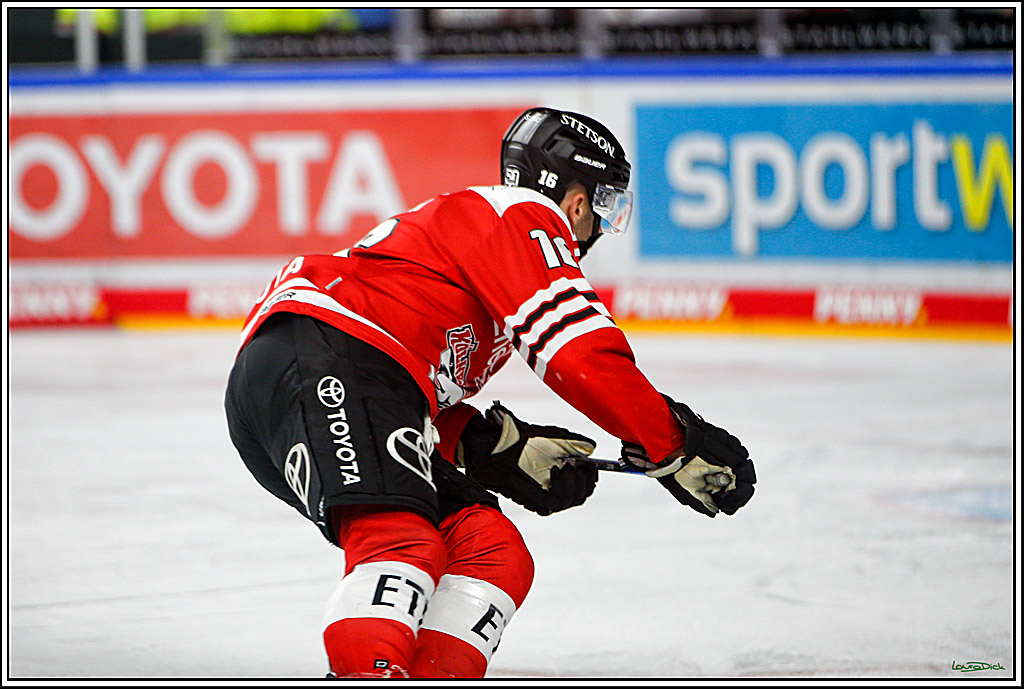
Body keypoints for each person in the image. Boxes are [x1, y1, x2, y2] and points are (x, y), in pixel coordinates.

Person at [224, 107, 756, 678]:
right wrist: (673, 442)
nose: (601, 228)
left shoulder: (475, 241)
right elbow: (578, 356)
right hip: (325, 360)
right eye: (607, 208)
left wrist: (494, 446)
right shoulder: (525, 216)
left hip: (312, 377)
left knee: (489, 549)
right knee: (399, 543)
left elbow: (398, 391)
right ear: (579, 202)